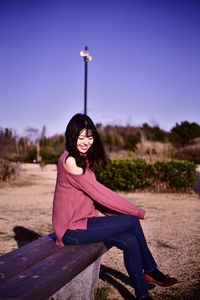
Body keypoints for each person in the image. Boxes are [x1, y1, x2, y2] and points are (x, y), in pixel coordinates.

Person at [52, 113, 178, 300]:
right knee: (131, 221)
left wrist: (113, 214)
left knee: (131, 241)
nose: (86, 142)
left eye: (90, 137)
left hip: (83, 223)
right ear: (71, 136)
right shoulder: (70, 161)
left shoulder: (81, 158)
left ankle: (142, 294)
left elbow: (96, 199)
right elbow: (101, 194)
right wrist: (136, 211)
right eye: (81, 137)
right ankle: (152, 271)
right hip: (71, 230)